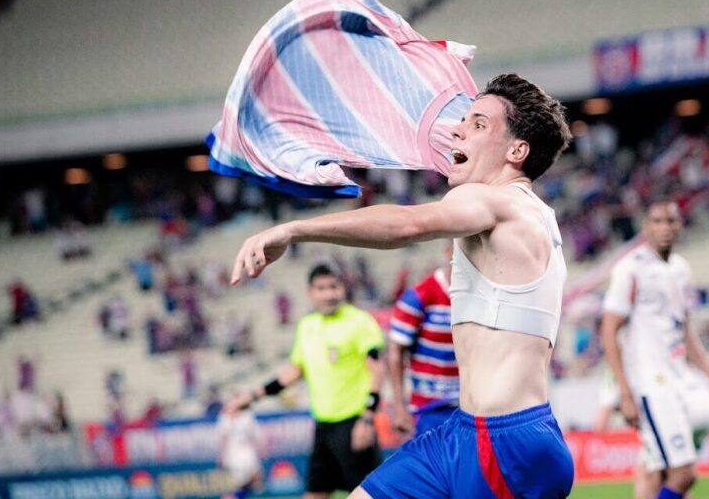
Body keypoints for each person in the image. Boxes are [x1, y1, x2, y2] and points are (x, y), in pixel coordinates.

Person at [229, 74, 574, 498]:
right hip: (466, 431)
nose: (458, 129)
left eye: (478, 123)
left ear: (517, 152)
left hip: (504, 444)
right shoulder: (535, 216)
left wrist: (293, 229)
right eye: (463, 120)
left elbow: (408, 225)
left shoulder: (495, 200)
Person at [601, 199, 709, 499]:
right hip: (652, 385)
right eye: (657, 221)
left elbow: (685, 333)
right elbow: (609, 329)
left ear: (680, 226)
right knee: (683, 474)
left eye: (671, 221)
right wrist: (624, 392)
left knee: (655, 471)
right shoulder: (630, 269)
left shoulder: (680, 269)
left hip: (681, 379)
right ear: (645, 227)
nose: (664, 228)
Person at [227, 264, 386, 498]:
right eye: (321, 288)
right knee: (314, 494)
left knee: (369, 495)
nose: (329, 294)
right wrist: (251, 397)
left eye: (333, 286)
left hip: (354, 424)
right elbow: (294, 371)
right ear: (310, 292)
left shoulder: (359, 321)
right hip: (323, 427)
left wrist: (367, 418)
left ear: (343, 288)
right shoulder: (307, 326)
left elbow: (377, 369)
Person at [388, 242, 459, 439]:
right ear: (449, 252)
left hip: (470, 409)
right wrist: (399, 407)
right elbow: (395, 351)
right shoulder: (420, 295)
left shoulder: (481, 296)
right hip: (429, 410)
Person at [218, 408, 263, 499]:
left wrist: (260, 448)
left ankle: (233, 496)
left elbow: (254, 435)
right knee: (240, 482)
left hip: (247, 452)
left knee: (255, 481)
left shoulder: (247, 416)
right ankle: (232, 496)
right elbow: (223, 438)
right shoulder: (225, 418)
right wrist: (222, 456)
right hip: (233, 455)